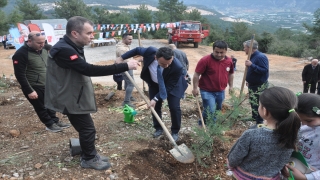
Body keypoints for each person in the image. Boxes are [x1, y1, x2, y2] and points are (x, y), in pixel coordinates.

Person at [44, 16, 140, 170]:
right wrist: (124, 66)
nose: (92, 36)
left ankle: (90, 153)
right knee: (88, 129)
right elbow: (88, 69)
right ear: (75, 33)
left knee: (85, 128)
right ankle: (88, 158)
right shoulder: (65, 50)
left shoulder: (71, 46)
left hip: (73, 94)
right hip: (70, 97)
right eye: (89, 33)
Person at [115, 46, 188, 142]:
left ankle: (175, 131)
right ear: (155, 58)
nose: (166, 66)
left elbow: (168, 87)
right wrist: (121, 58)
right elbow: (137, 50)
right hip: (154, 83)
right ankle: (158, 128)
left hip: (172, 86)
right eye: (163, 64)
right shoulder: (150, 52)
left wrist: (155, 98)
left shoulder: (177, 67)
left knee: (174, 107)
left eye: (168, 64)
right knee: (155, 107)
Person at [227, 86, 301, 179]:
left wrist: (229, 166)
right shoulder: (293, 134)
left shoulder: (251, 135)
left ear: (265, 111)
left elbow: (233, 160)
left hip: (243, 177)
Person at [12, 31, 70, 133]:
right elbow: (19, 75)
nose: (42, 44)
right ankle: (49, 124)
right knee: (41, 107)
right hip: (33, 86)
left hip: (46, 83)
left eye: (43, 42)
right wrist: (29, 90)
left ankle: (55, 121)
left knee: (50, 104)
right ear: (29, 41)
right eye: (39, 43)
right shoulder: (21, 54)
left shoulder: (44, 48)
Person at [192, 41, 234, 125]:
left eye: (221, 52)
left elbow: (231, 74)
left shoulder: (229, 61)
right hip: (207, 90)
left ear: (226, 51)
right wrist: (195, 88)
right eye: (216, 52)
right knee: (210, 109)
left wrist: (231, 86)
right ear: (213, 50)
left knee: (217, 109)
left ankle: (203, 121)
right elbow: (197, 74)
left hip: (221, 90)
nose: (219, 54)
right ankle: (211, 125)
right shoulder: (205, 60)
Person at [282, 93, 320, 180]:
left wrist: (306, 177)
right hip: (293, 164)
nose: (303, 124)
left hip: (311, 172)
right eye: (299, 119)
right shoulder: (302, 124)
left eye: (309, 120)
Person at [244, 39, 269, 128]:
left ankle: (259, 122)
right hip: (252, 84)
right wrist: (249, 80)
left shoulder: (260, 57)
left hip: (259, 86)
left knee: (258, 104)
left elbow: (264, 70)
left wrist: (252, 65)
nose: (244, 49)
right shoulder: (252, 56)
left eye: (245, 47)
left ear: (250, 48)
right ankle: (254, 117)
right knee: (253, 102)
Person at [115, 33, 135, 107]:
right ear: (124, 39)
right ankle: (126, 101)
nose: (131, 41)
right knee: (131, 83)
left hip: (128, 66)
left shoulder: (125, 46)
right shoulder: (121, 48)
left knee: (128, 82)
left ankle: (129, 96)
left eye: (131, 39)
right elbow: (125, 59)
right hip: (125, 67)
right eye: (129, 39)